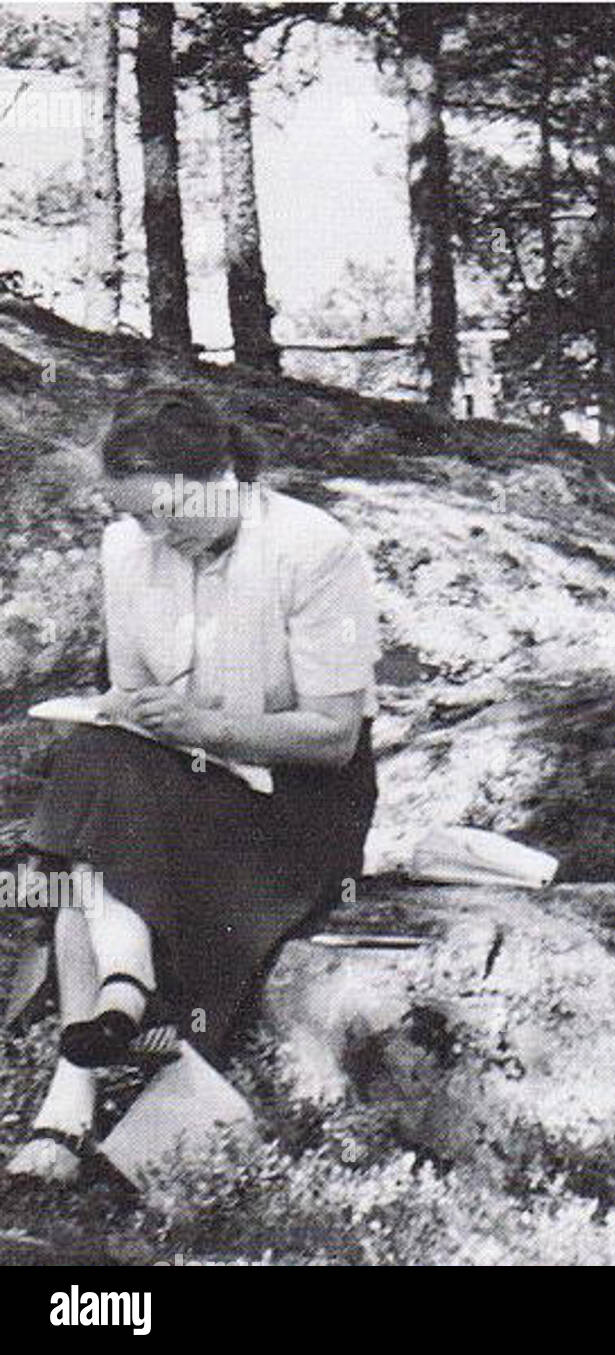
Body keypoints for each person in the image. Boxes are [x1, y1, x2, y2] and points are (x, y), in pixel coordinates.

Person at [6, 387, 379, 1182]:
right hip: (180, 782)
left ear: (223, 473)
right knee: (96, 757)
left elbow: (335, 736)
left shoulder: (315, 549)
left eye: (168, 509)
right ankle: (119, 993)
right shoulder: (128, 550)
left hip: (299, 800)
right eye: (139, 517)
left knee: (89, 831)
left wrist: (203, 728)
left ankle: (73, 1094)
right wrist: (128, 710)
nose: (157, 532)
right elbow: (136, 703)